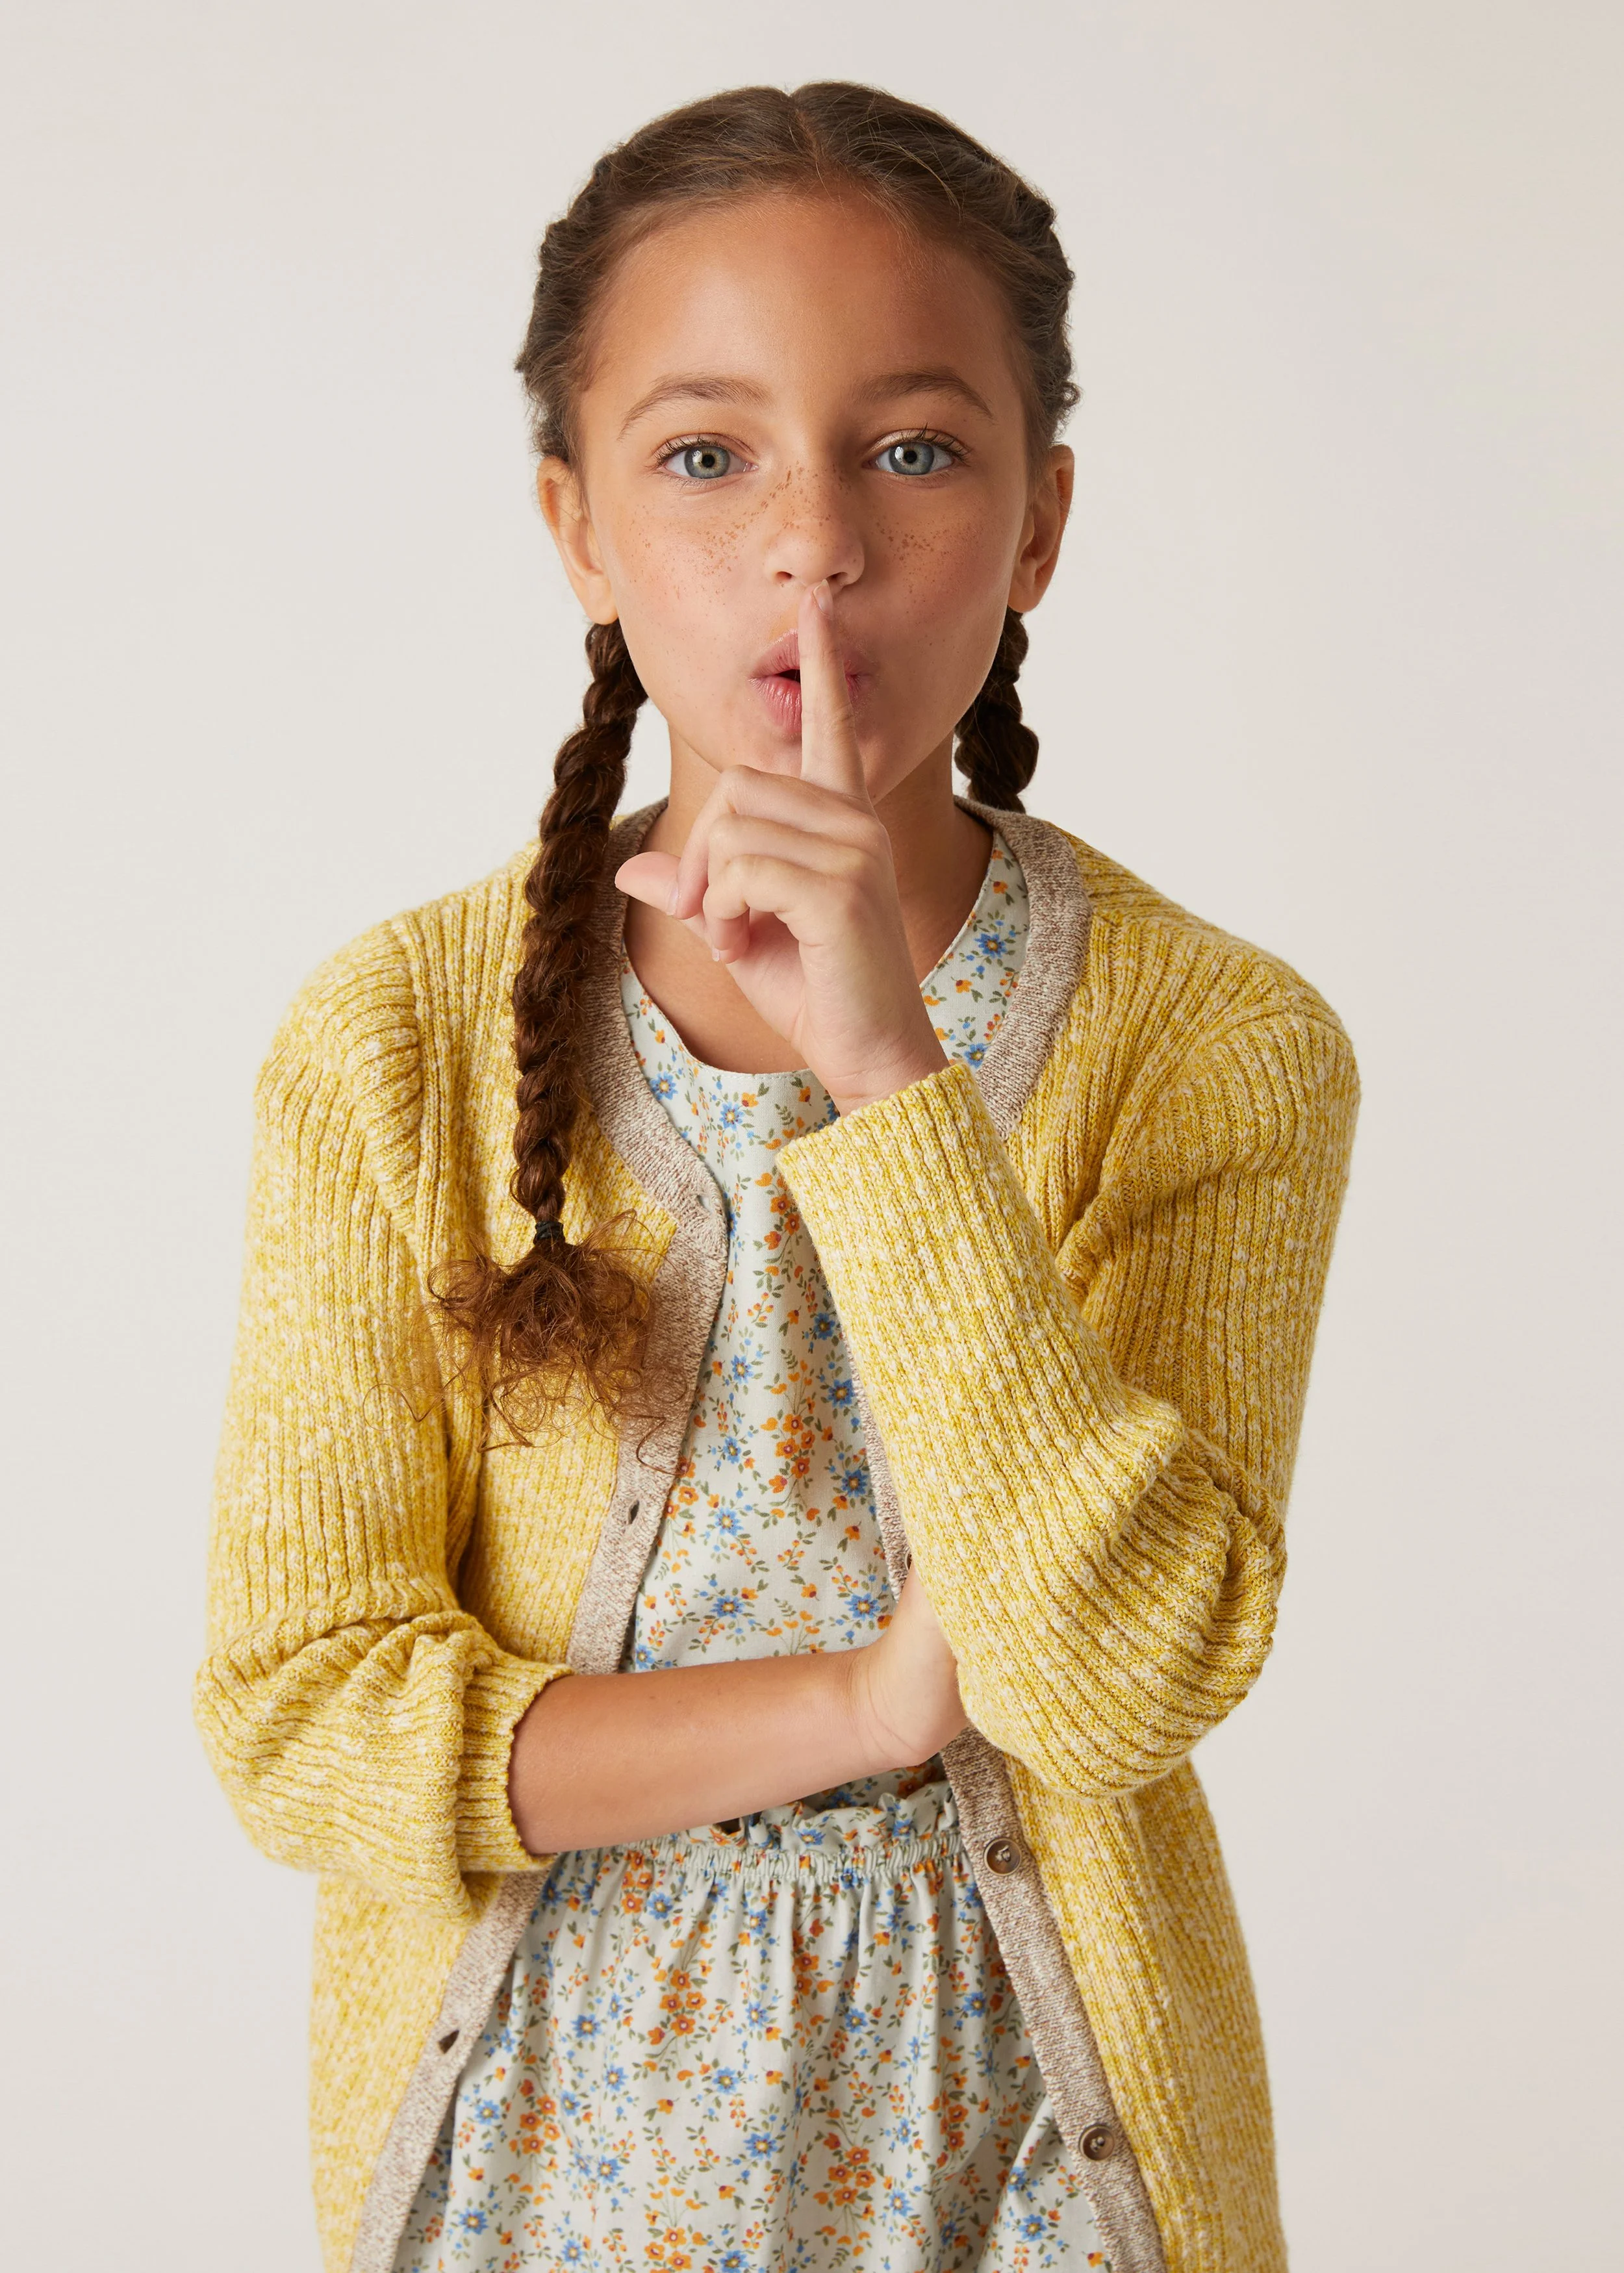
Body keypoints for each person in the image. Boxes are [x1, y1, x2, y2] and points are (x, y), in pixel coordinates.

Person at [197, 81, 1358, 2273]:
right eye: (703, 454)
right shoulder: (398, 1041)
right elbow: (301, 1719)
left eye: (912, 450)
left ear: (1036, 529)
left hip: (1035, 2156)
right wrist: (858, 1709)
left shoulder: (1217, 1043)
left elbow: (1119, 1681)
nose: (810, 542)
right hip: (529, 2155)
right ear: (578, 526)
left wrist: (883, 1069)